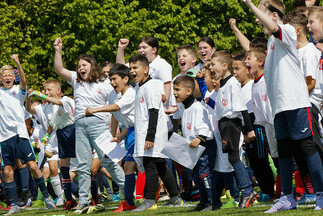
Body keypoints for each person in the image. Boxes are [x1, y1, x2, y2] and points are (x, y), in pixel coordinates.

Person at [243, 0, 323, 212]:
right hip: (279, 106)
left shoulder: (286, 32)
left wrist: (251, 5)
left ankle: (321, 194)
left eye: (262, 13)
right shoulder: (271, 41)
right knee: (285, 153)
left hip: (295, 102)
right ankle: (287, 197)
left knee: (307, 148)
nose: (257, 18)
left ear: (274, 16)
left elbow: (273, 26)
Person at [53, 37, 125, 214]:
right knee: (83, 165)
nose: (80, 68)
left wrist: (120, 49)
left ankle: (131, 194)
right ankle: (84, 202)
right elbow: (59, 69)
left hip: (100, 125)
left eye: (84, 65)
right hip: (80, 126)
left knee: (110, 161)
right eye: (78, 66)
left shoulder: (105, 82)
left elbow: (122, 72)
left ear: (92, 65)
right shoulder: (76, 80)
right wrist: (58, 50)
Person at [0, 55, 56, 215]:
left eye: (10, 75)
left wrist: (18, 62)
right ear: (1, 79)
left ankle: (46, 198)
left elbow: (23, 81)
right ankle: (14, 205)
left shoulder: (18, 90)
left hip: (20, 135)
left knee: (32, 166)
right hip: (4, 138)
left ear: (13, 77)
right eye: (4, 76)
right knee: (8, 171)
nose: (7, 78)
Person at [128, 54, 182, 211]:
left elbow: (153, 111)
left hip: (152, 134)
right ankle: (175, 197)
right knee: (160, 166)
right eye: (130, 68)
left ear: (146, 69)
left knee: (150, 164)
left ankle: (150, 201)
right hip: (148, 134)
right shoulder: (142, 86)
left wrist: (149, 137)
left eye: (135, 67)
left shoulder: (151, 86)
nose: (132, 71)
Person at [85, 63, 137, 212]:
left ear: (125, 79)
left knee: (140, 166)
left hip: (139, 132)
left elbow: (116, 108)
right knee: (130, 166)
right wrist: (114, 136)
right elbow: (115, 116)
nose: (112, 83)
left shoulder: (131, 93)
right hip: (129, 132)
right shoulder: (114, 94)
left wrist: (94, 110)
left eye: (115, 79)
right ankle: (129, 200)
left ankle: (158, 193)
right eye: (110, 80)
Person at [210, 50, 258, 209]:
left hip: (231, 124)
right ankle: (247, 190)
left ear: (224, 66)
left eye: (213, 64)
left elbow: (241, 108)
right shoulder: (223, 85)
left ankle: (247, 191)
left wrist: (249, 130)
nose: (210, 68)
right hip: (225, 124)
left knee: (234, 157)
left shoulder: (232, 84)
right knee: (232, 158)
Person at [27, 79, 77, 210]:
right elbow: (52, 124)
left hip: (73, 132)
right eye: (45, 90)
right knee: (62, 170)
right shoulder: (47, 107)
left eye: (49, 90)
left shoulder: (66, 100)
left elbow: (59, 102)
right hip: (60, 136)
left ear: (58, 91)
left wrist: (39, 94)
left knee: (85, 168)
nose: (47, 93)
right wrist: (46, 138)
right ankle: (68, 199)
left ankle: (92, 196)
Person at [173, 75, 216, 211]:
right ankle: (203, 202)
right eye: (174, 90)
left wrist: (199, 138)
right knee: (196, 175)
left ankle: (211, 201)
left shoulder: (198, 107)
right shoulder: (184, 109)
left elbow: (205, 126)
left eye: (177, 90)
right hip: (192, 148)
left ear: (188, 91)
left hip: (203, 146)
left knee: (204, 174)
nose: (174, 93)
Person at [116, 37, 172, 105]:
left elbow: (167, 87)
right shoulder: (138, 64)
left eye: (144, 47)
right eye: (139, 48)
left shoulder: (161, 65)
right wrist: (121, 49)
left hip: (156, 106)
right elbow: (120, 69)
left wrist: (163, 107)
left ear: (154, 50)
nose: (141, 50)